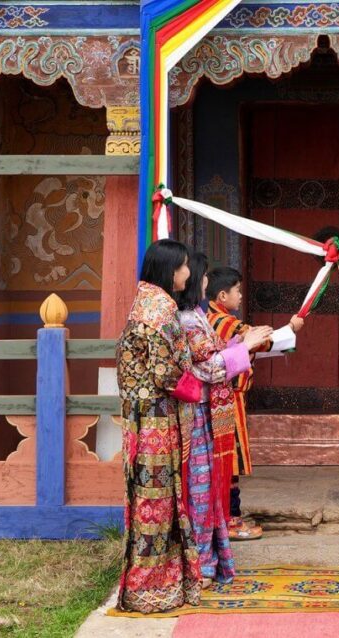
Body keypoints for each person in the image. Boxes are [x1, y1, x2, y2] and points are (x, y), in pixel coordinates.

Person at [115, 239, 202, 613]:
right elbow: (166, 373)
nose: (187, 273)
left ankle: (148, 582)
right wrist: (198, 381)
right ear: (170, 270)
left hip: (141, 417)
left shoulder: (144, 302)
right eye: (183, 266)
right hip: (157, 420)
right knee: (159, 501)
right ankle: (153, 585)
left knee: (147, 499)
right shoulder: (161, 309)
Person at [176, 253, 273, 586]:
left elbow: (214, 353)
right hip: (199, 411)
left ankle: (206, 560)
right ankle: (200, 563)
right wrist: (244, 346)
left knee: (206, 487)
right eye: (195, 273)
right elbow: (209, 367)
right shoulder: (189, 320)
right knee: (202, 487)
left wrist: (239, 345)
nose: (199, 277)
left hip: (207, 411)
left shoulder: (198, 317)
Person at [205, 266, 305, 541]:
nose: (240, 295)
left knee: (228, 461)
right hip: (226, 401)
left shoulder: (215, 320)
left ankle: (228, 516)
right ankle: (229, 519)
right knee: (230, 461)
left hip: (226, 400)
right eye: (237, 290)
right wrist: (291, 328)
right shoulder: (225, 323)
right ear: (222, 295)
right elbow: (262, 342)